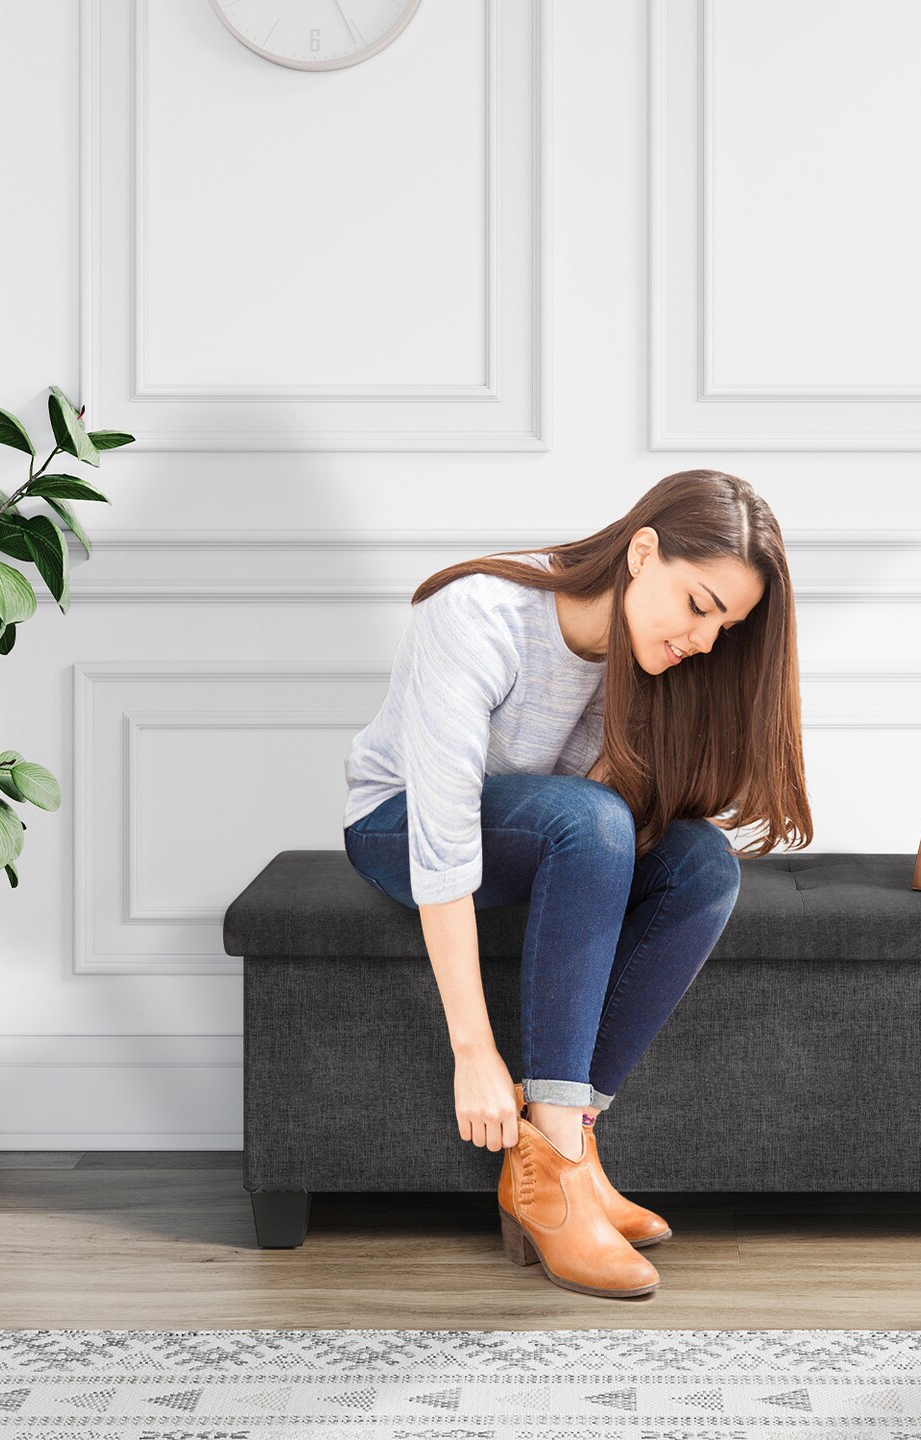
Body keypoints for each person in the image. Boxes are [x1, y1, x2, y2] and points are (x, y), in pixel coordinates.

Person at [342, 468, 812, 1299]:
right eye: (699, 604)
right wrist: (474, 1052)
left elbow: (622, 830)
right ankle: (556, 1169)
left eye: (726, 625)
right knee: (590, 821)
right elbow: (444, 836)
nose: (705, 639)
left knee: (702, 864)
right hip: (400, 821)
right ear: (642, 551)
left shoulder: (649, 665)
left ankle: (569, 1147)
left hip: (542, 831)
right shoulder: (479, 615)